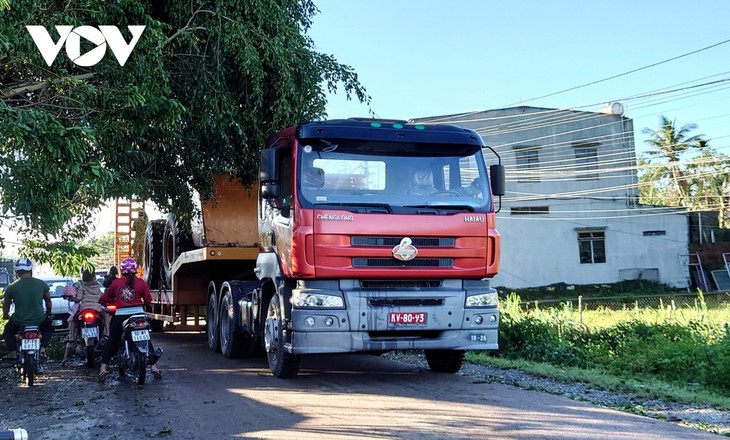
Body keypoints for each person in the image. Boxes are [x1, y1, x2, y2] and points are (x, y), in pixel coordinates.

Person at [98, 257, 161, 381]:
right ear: (135, 270)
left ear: (122, 270)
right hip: (139, 315)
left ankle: (103, 368)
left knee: (112, 342)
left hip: (121, 316)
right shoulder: (141, 282)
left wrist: (104, 302)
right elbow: (148, 300)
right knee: (147, 340)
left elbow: (104, 298)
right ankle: (154, 367)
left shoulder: (116, 283)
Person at [1, 258, 54, 361]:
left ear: (17, 272)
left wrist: (5, 315)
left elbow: (6, 305)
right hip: (39, 319)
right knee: (49, 328)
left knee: (7, 331)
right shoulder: (41, 284)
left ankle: (12, 353)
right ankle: (42, 350)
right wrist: (48, 313)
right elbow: (48, 301)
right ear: (30, 270)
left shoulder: (12, 287)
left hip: (19, 320)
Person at [62, 269, 105, 365]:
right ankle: (107, 331)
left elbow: (78, 299)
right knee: (106, 316)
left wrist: (73, 298)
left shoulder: (82, 287)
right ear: (94, 276)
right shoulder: (97, 286)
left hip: (84, 309)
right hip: (97, 309)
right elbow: (102, 297)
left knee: (74, 319)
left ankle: (72, 335)